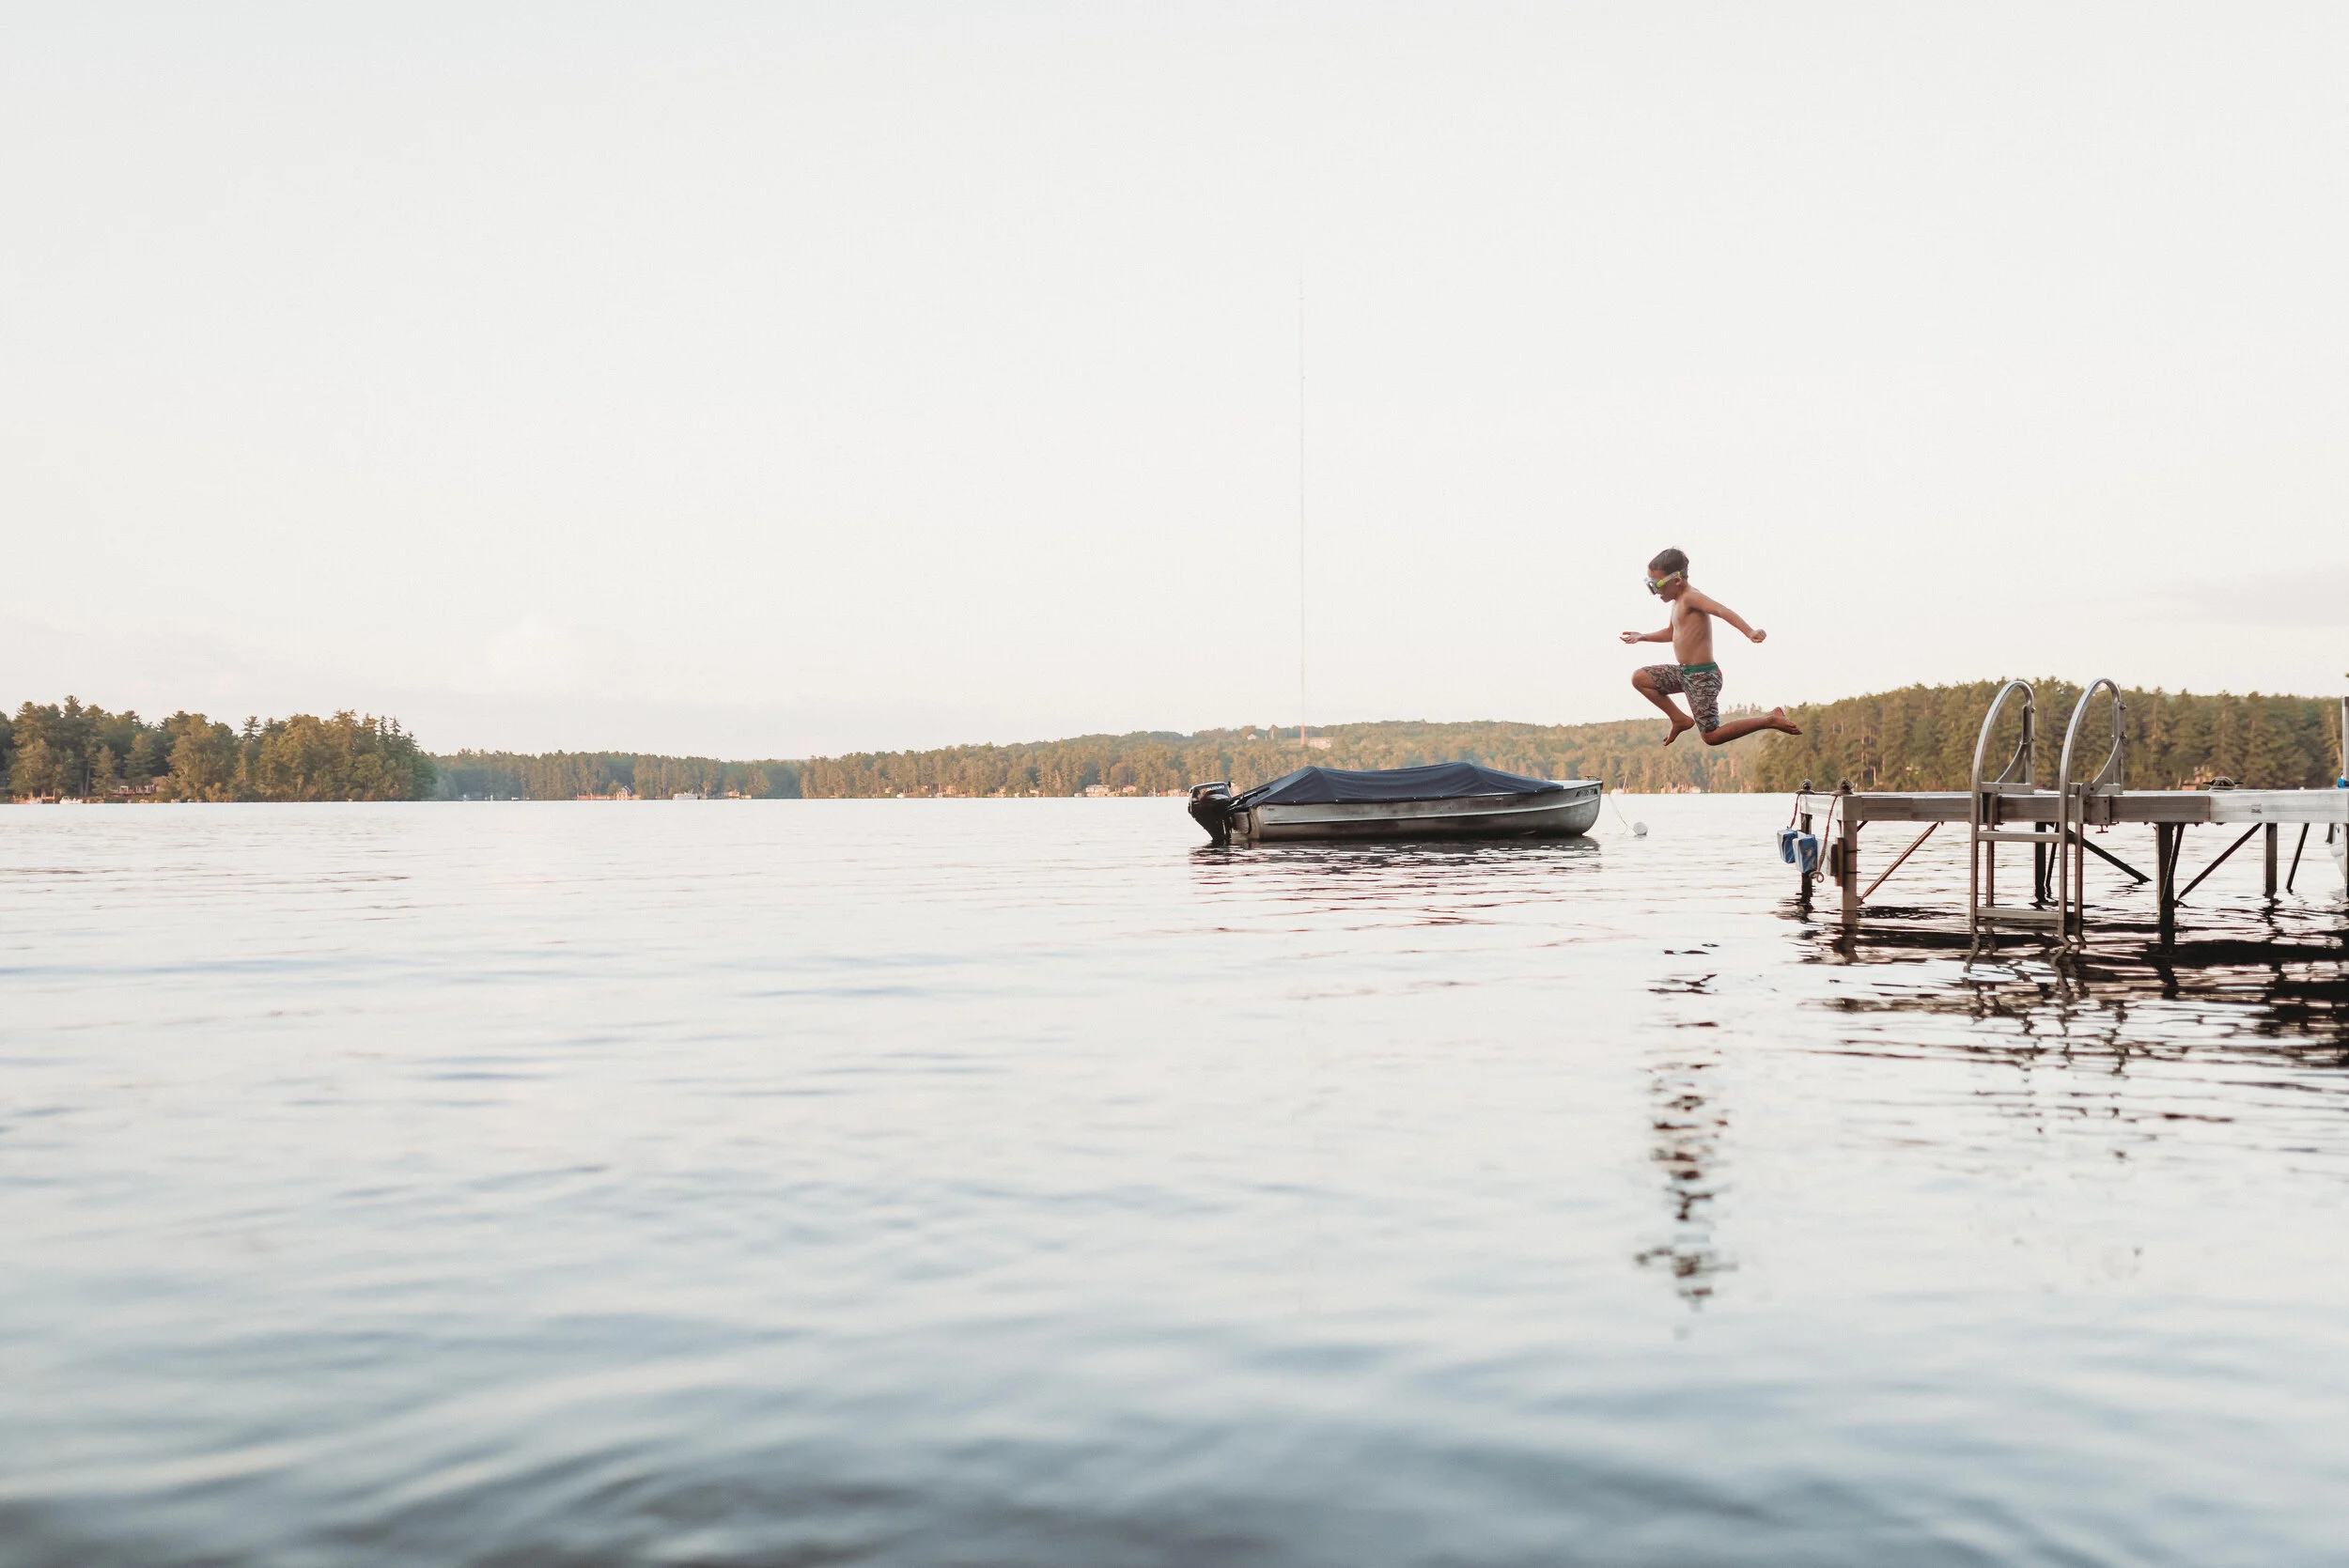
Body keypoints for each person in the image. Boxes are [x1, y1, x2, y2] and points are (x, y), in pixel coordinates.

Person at [1619, 549, 1803, 746]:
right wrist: (1642, 636)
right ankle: (1679, 719)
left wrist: (1749, 632)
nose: (1655, 592)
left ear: (1677, 580)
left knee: (1711, 736)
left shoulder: (1691, 597)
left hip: (1702, 676)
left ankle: (1770, 719)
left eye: (1657, 585)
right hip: (1684, 673)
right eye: (1650, 586)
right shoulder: (1677, 603)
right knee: (1640, 678)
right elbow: (1671, 633)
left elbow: (1721, 610)